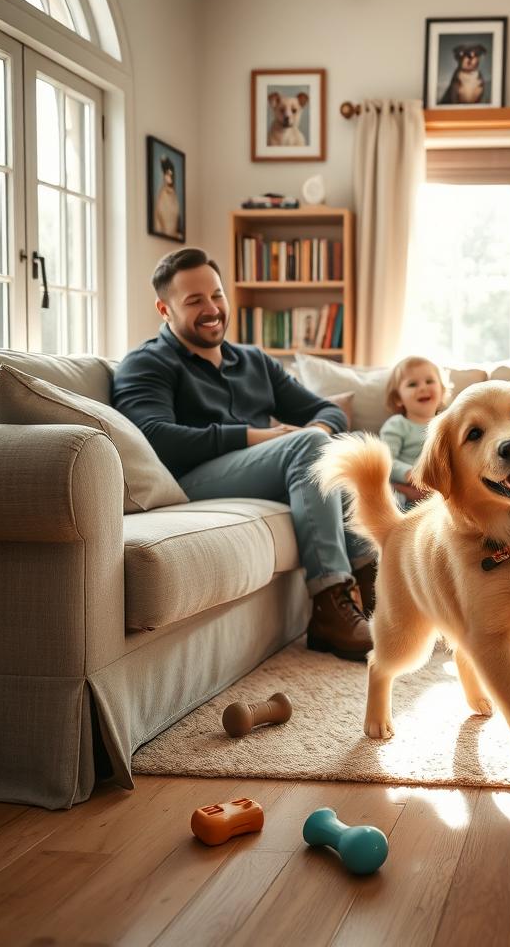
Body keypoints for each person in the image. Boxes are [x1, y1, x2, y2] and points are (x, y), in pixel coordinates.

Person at [112, 247, 375, 662]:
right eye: (194, 300)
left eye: (216, 295)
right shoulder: (146, 363)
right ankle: (329, 604)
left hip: (262, 470)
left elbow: (325, 410)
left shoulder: (253, 360)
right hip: (191, 482)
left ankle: (379, 591)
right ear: (164, 309)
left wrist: (319, 431)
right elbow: (154, 437)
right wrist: (260, 436)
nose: (212, 308)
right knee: (309, 447)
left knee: (340, 453)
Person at [378, 356, 449, 508]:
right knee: (391, 497)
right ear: (398, 398)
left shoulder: (448, 424)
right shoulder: (397, 425)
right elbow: (385, 461)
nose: (423, 388)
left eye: (429, 381)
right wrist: (411, 474)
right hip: (405, 490)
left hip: (440, 491)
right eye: (412, 384)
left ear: (442, 391)